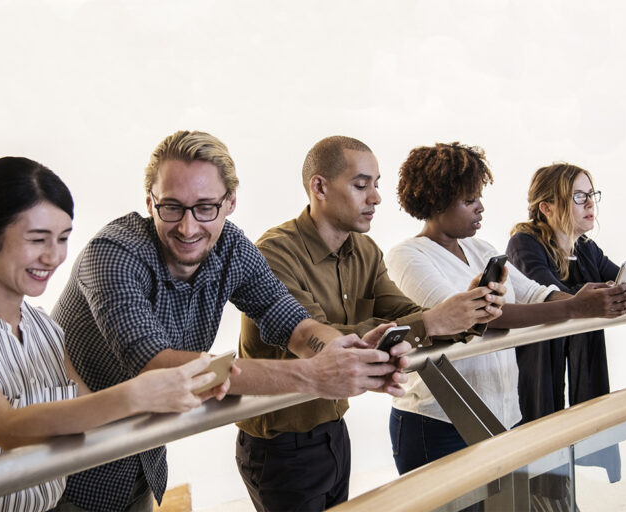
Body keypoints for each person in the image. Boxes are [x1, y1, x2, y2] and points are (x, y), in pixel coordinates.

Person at [52, 131, 405, 512]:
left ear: (231, 202)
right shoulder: (114, 253)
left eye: (206, 207)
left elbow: (296, 326)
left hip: (140, 465)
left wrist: (344, 351)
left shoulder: (233, 248)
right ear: (149, 202)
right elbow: (156, 365)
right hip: (57, 473)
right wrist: (314, 376)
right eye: (171, 207)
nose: (188, 228)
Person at [235, 136, 508, 512]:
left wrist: (468, 311)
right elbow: (313, 335)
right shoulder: (274, 252)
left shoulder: (365, 251)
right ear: (319, 186)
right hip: (280, 444)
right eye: (361, 185)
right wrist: (427, 321)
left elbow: (406, 313)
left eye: (376, 185)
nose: (376, 198)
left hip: (334, 428)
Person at [0, 157, 218, 512]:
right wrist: (135, 394)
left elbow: (89, 417)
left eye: (62, 239)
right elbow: (7, 429)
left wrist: (182, 395)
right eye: (37, 239)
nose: (53, 256)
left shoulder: (45, 330)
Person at [384, 143, 626, 481]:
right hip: (439, 423)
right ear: (437, 201)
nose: (481, 207)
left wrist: (586, 299)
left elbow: (534, 294)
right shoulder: (407, 256)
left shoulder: (481, 248)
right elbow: (472, 319)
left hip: (503, 414)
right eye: (469, 200)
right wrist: (576, 306)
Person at [506, 163, 626, 479]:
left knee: (563, 460)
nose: (590, 204)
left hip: (569, 366)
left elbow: (623, 285)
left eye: (592, 194)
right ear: (547, 207)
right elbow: (558, 299)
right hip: (536, 374)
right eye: (578, 196)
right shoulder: (524, 243)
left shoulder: (585, 248)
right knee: (540, 459)